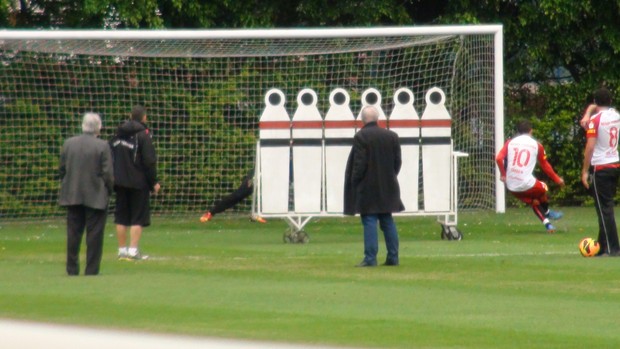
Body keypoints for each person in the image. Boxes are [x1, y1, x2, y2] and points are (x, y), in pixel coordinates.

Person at [344, 106, 404, 267]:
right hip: (388, 185)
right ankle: (393, 257)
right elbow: (397, 162)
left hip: (368, 186)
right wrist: (390, 176)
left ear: (362, 119)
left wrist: (354, 181)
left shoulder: (361, 137)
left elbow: (360, 164)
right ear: (378, 119)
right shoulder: (392, 136)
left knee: (369, 220)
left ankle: (370, 258)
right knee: (387, 220)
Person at [59, 112, 114, 276]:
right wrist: (109, 190)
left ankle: (72, 268)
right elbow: (108, 173)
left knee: (73, 234)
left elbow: (62, 169)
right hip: (96, 196)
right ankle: (91, 269)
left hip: (72, 194)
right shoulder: (102, 145)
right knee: (94, 235)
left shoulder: (68, 143)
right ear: (98, 128)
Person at [495, 120, 565, 233]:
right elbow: (545, 165)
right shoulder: (537, 145)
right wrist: (557, 179)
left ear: (518, 132)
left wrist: (503, 174)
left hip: (511, 186)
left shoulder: (510, 142)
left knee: (535, 201)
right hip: (526, 183)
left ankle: (548, 225)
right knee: (543, 188)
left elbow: (498, 158)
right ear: (531, 131)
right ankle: (547, 212)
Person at [110, 105, 160, 261]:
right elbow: (149, 161)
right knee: (138, 217)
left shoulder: (117, 135)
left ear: (130, 116)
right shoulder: (143, 135)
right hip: (138, 183)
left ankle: (122, 250)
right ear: (144, 118)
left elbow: (110, 155)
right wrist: (154, 182)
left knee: (121, 217)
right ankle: (133, 250)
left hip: (119, 182)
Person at [580, 87, 620, 256]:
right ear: (610, 101)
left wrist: (584, 171)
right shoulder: (616, 115)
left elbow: (590, 146)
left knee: (604, 209)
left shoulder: (595, 121)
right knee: (605, 207)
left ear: (595, 103)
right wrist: (589, 113)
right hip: (615, 164)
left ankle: (613, 248)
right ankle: (602, 247)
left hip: (600, 167)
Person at [199, 168, 266, 223]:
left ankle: (261, 214)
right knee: (238, 195)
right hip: (258, 171)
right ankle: (210, 213)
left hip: (269, 173)